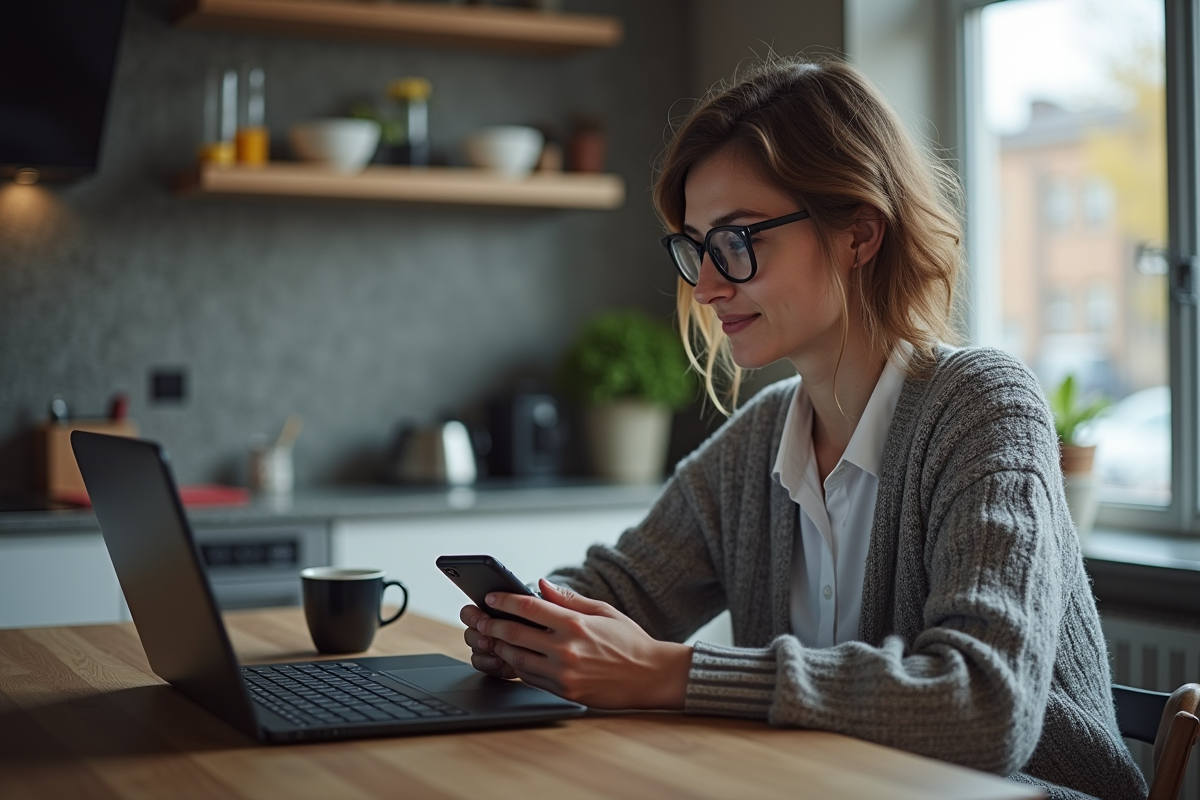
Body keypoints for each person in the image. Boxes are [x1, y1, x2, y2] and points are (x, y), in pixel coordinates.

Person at [459, 57, 1145, 800]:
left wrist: (670, 672)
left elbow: (982, 706)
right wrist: (533, 628)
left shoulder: (983, 406)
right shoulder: (758, 443)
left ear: (859, 233)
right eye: (697, 248)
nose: (710, 285)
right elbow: (615, 590)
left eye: (739, 240)